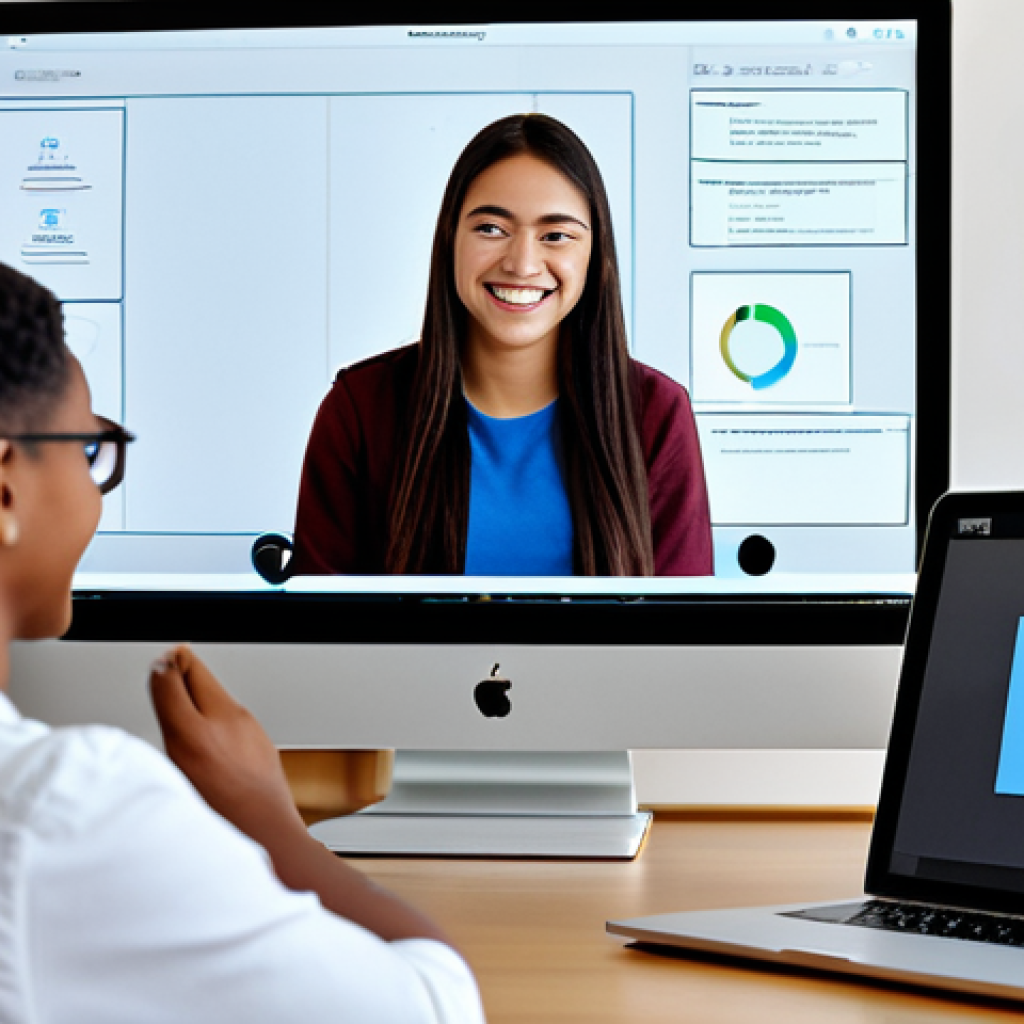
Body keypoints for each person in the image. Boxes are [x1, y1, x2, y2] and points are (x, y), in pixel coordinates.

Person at [0, 262, 485, 1022]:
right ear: (5, 484)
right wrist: (269, 820)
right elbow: (432, 1006)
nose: (94, 488)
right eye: (88, 450)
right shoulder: (64, 809)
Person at [290, 113, 712, 577]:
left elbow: (681, 639)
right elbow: (319, 637)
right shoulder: (360, 412)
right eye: (491, 229)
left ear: (595, 256)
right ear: (450, 237)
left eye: (556, 236)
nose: (523, 264)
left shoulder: (656, 415)